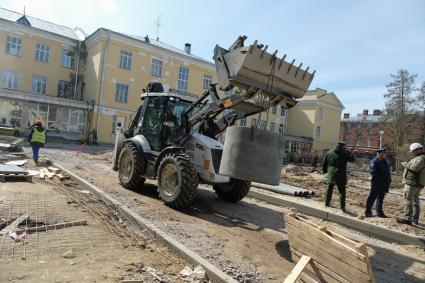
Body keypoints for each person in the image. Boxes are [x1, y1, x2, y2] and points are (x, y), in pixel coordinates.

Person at [397, 143, 425, 225]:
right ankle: (414, 219)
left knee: (408, 200)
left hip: (413, 183)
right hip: (417, 183)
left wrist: (406, 164)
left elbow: (415, 168)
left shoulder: (420, 158)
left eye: (413, 151)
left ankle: (407, 219)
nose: (412, 153)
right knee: (415, 201)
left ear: (418, 150)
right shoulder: (420, 158)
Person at [322, 142, 355, 211]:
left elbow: (324, 162)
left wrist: (325, 171)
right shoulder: (345, 153)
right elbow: (352, 159)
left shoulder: (329, 152)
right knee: (342, 191)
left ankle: (326, 203)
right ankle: (342, 207)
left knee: (329, 189)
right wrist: (349, 152)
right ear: (343, 147)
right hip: (341, 174)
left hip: (331, 173)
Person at [365, 148, 391, 218]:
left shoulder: (385, 161)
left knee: (380, 198)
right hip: (377, 183)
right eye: (384, 153)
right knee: (372, 198)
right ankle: (368, 212)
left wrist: (388, 181)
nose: (386, 154)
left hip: (384, 183)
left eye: (386, 153)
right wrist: (381, 180)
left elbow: (387, 173)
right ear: (380, 153)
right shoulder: (375, 161)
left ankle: (379, 212)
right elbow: (373, 172)